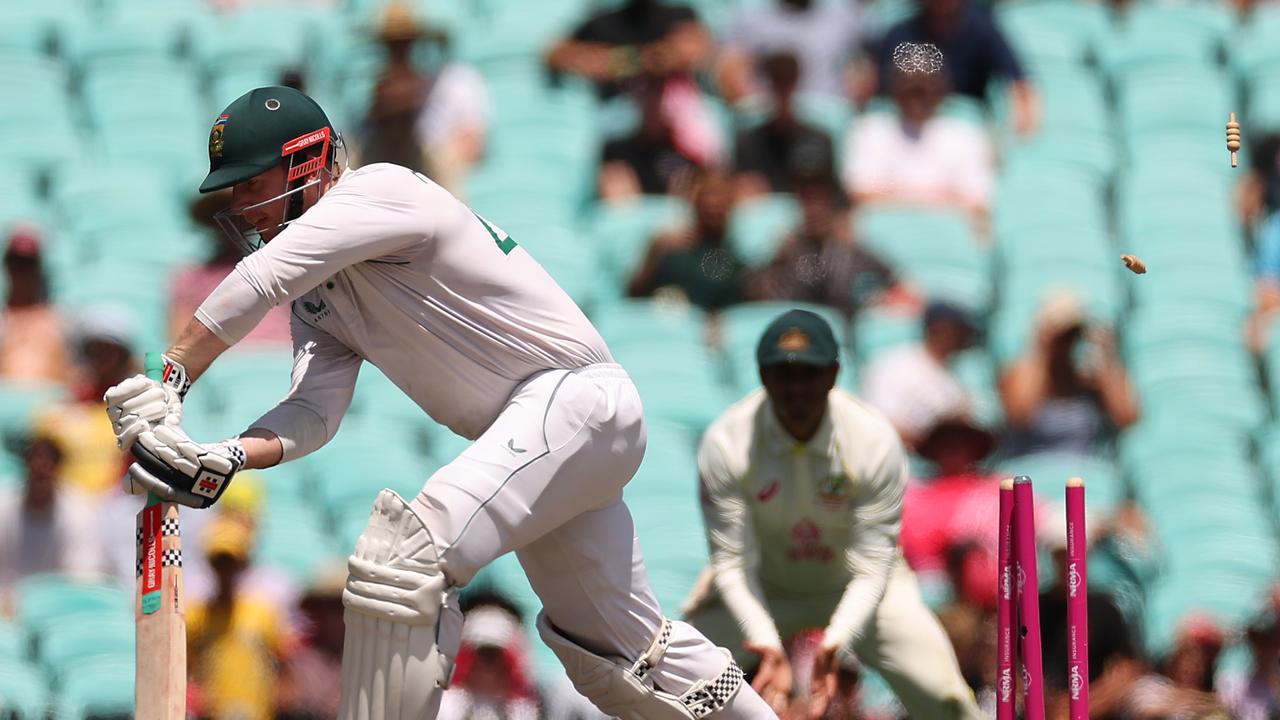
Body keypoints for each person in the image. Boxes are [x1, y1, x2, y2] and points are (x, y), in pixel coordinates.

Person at [103, 85, 773, 719]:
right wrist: (227, 455)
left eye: (253, 185)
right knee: (624, 656)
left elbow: (262, 279)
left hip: (575, 402)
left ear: (306, 162)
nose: (243, 207)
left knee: (403, 557)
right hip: (544, 438)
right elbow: (314, 410)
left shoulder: (381, 190)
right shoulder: (322, 297)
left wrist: (171, 375)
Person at [685, 308, 982, 719]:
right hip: (764, 587)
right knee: (674, 689)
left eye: (810, 373)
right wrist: (766, 642)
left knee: (947, 699)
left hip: (860, 586)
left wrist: (835, 642)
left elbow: (873, 565)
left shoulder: (872, 440)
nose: (796, 389)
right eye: (782, 374)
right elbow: (732, 564)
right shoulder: (727, 442)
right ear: (763, 376)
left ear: (834, 374)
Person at [359, 2, 489, 192]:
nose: (400, 51)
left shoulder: (455, 82)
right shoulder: (371, 96)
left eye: (406, 43)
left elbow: (472, 149)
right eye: (392, 45)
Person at [863, 0, 1040, 136]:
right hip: (906, 127)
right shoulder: (900, 32)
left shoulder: (982, 28)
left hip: (964, 126)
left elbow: (1019, 82)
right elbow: (875, 89)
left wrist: (1017, 130)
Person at [842, 66, 995, 222]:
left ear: (941, 89)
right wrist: (939, 196)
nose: (917, 97)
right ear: (894, 88)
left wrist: (896, 194)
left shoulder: (966, 136)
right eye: (910, 88)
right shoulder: (868, 131)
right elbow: (860, 194)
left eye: (926, 88)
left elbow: (977, 203)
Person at [998, 291, 1140, 458]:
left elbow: (1127, 419)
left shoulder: (1091, 380)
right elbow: (1020, 415)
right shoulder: (1019, 373)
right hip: (1033, 469)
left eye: (1073, 336)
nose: (1068, 344)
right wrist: (1044, 349)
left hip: (1086, 472)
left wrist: (1105, 356)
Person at [746, 172, 902, 318]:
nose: (813, 211)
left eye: (819, 204)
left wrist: (878, 299)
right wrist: (777, 259)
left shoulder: (850, 250)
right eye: (807, 203)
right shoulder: (789, 250)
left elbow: (893, 278)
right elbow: (754, 289)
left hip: (841, 327)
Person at [186, 514, 291, 720]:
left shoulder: (262, 612)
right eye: (220, 563)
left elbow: (283, 660)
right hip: (211, 712)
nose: (225, 571)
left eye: (230, 563)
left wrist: (281, 692)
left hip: (258, 711)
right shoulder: (195, 615)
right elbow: (187, 665)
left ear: (242, 565)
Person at [33, 306, 137, 496]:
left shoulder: (138, 412)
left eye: (110, 351)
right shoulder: (57, 412)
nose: (103, 359)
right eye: (96, 349)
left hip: (118, 509)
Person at [170, 191, 291, 347]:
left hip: (280, 357)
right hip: (222, 362)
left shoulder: (278, 267)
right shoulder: (190, 277)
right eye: (222, 215)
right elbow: (179, 341)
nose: (230, 223)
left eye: (238, 215)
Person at [861, 300, 977, 448]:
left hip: (938, 464)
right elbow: (879, 422)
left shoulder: (954, 375)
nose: (964, 339)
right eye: (960, 332)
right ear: (940, 329)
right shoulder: (895, 363)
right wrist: (929, 442)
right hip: (898, 460)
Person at [626, 168, 745, 311]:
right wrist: (655, 250)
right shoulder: (672, 251)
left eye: (720, 196)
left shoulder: (738, 258)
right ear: (695, 201)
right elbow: (634, 293)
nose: (713, 204)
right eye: (707, 195)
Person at [0, 435, 105, 592]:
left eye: (48, 465)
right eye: (35, 466)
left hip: (58, 605)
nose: (41, 470)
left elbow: (84, 577)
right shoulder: (4, 506)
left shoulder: (81, 511)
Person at [547, 0, 711, 100]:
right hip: (619, 126)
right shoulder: (601, 22)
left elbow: (693, 52)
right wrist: (643, 59)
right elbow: (555, 56)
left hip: (673, 129)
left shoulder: (681, 15)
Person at [716, 0, 871, 104]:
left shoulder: (843, 16)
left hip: (829, 112)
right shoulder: (751, 19)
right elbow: (731, 72)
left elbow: (863, 70)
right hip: (771, 115)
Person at [732, 52, 836, 197]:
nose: (783, 89)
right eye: (777, 81)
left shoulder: (820, 140)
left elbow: (835, 195)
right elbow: (737, 189)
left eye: (788, 81)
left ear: (797, 82)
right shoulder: (748, 142)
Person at [439, 589, 542, 720]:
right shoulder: (447, 705)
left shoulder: (523, 710)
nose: (489, 666)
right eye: (482, 654)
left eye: (496, 655)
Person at [599, 76, 705, 200]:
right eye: (649, 95)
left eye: (660, 97)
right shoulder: (616, 152)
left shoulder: (684, 153)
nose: (655, 105)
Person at [0, 224, 72, 385]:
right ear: (7, 265)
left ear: (38, 268)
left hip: (47, 405)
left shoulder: (60, 322)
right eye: (16, 262)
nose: (21, 271)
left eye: (27, 264)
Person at [277, 564, 348, 720]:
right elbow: (283, 700)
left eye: (340, 608)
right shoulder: (297, 658)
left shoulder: (364, 659)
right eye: (329, 608)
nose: (335, 618)